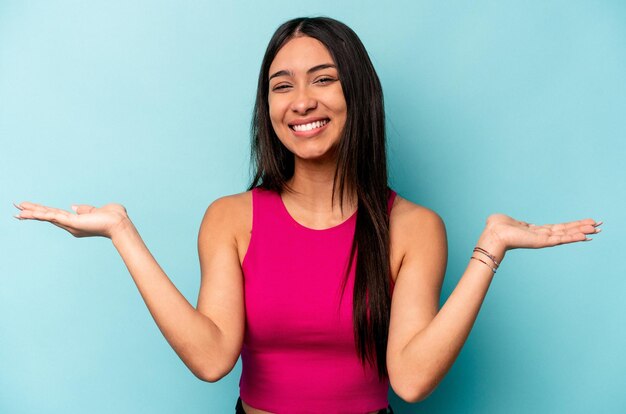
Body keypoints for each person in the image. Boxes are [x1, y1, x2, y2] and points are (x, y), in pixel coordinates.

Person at [14, 16, 600, 414]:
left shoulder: (415, 227)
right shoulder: (230, 218)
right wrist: (123, 232)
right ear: (267, 106)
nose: (301, 102)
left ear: (358, 95)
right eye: (281, 86)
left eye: (324, 80)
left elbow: (413, 379)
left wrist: (490, 248)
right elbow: (212, 357)